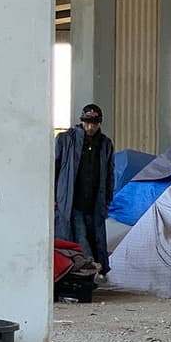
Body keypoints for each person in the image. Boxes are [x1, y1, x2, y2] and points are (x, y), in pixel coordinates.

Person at [55, 104, 115, 274]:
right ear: (81, 122)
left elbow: (110, 175)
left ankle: (91, 272)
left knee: (94, 238)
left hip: (95, 202)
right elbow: (54, 168)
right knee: (79, 237)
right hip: (71, 201)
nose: (90, 127)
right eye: (87, 123)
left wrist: (107, 200)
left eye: (94, 123)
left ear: (99, 124)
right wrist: (53, 197)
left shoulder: (105, 145)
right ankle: (89, 268)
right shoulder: (65, 140)